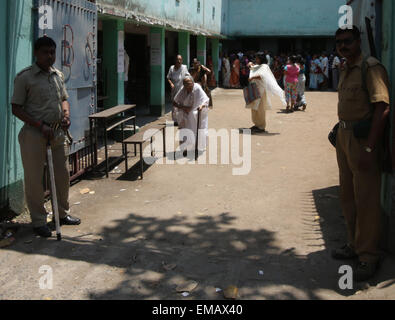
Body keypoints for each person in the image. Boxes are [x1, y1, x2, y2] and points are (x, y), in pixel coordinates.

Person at [332, 26, 390, 281]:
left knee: (366, 200)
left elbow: (383, 108)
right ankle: (354, 244)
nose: (343, 46)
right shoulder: (346, 69)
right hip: (345, 139)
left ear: (358, 41)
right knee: (348, 196)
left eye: (347, 41)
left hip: (363, 141)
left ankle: (368, 256)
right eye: (339, 43)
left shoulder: (371, 67)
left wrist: (370, 148)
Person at [11, 36, 81, 238]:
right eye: (45, 52)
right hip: (34, 134)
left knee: (62, 175)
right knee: (34, 180)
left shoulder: (57, 75)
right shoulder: (25, 77)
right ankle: (39, 221)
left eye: (52, 52)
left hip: (58, 133)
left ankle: (62, 214)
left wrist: (66, 115)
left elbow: (64, 99)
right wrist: (39, 125)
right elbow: (16, 108)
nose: (50, 56)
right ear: (36, 53)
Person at [246, 53, 286, 132]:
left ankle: (261, 126)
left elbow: (262, 76)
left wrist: (252, 77)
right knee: (254, 108)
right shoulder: (258, 66)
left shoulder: (264, 66)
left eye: (257, 58)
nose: (256, 60)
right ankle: (256, 124)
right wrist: (250, 64)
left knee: (260, 109)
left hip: (260, 90)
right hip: (254, 88)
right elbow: (251, 67)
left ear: (261, 59)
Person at [173, 76, 210, 155]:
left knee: (197, 130)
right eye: (185, 84)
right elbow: (174, 102)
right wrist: (183, 108)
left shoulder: (197, 88)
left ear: (193, 83)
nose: (187, 86)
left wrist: (202, 106)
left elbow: (206, 100)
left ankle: (196, 148)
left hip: (196, 113)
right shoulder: (182, 90)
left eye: (189, 83)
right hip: (184, 114)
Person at [167, 54, 190, 124]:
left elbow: (188, 76)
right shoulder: (171, 68)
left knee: (182, 105)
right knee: (174, 105)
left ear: (182, 60)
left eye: (180, 59)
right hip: (174, 90)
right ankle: (175, 120)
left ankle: (181, 119)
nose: (179, 61)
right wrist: (171, 83)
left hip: (182, 90)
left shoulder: (184, 67)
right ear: (175, 60)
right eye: (177, 59)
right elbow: (168, 77)